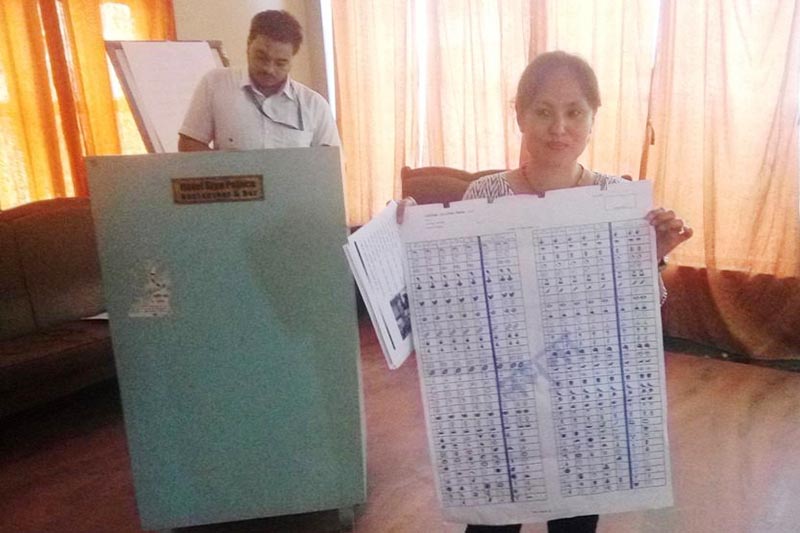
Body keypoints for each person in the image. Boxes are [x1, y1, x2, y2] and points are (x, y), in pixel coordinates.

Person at [398, 50, 693, 533]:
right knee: (494, 516)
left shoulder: (615, 198)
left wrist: (651, 256)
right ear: (519, 115)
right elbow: (457, 304)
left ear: (593, 119)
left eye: (575, 112)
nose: (560, 126)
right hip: (502, 392)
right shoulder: (484, 195)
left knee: (574, 518)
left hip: (582, 391)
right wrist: (415, 233)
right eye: (543, 110)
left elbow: (642, 310)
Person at [178, 10, 340, 151]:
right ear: (248, 45)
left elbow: (332, 167)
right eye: (261, 57)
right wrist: (230, 171)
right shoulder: (215, 84)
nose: (269, 69)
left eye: (280, 63)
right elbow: (189, 144)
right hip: (234, 186)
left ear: (292, 59)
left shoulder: (314, 105)